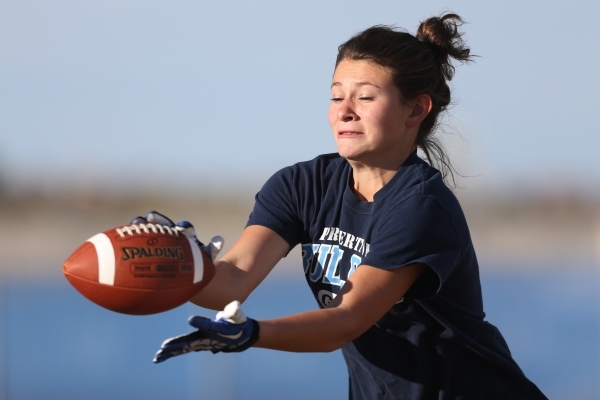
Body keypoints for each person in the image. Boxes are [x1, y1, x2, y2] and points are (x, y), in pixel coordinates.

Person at [144, 12, 548, 400]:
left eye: (365, 97)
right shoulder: (301, 186)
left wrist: (250, 332)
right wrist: (174, 265)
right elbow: (231, 281)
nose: (344, 111)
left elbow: (345, 320)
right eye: (337, 96)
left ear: (416, 109)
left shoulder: (422, 207)